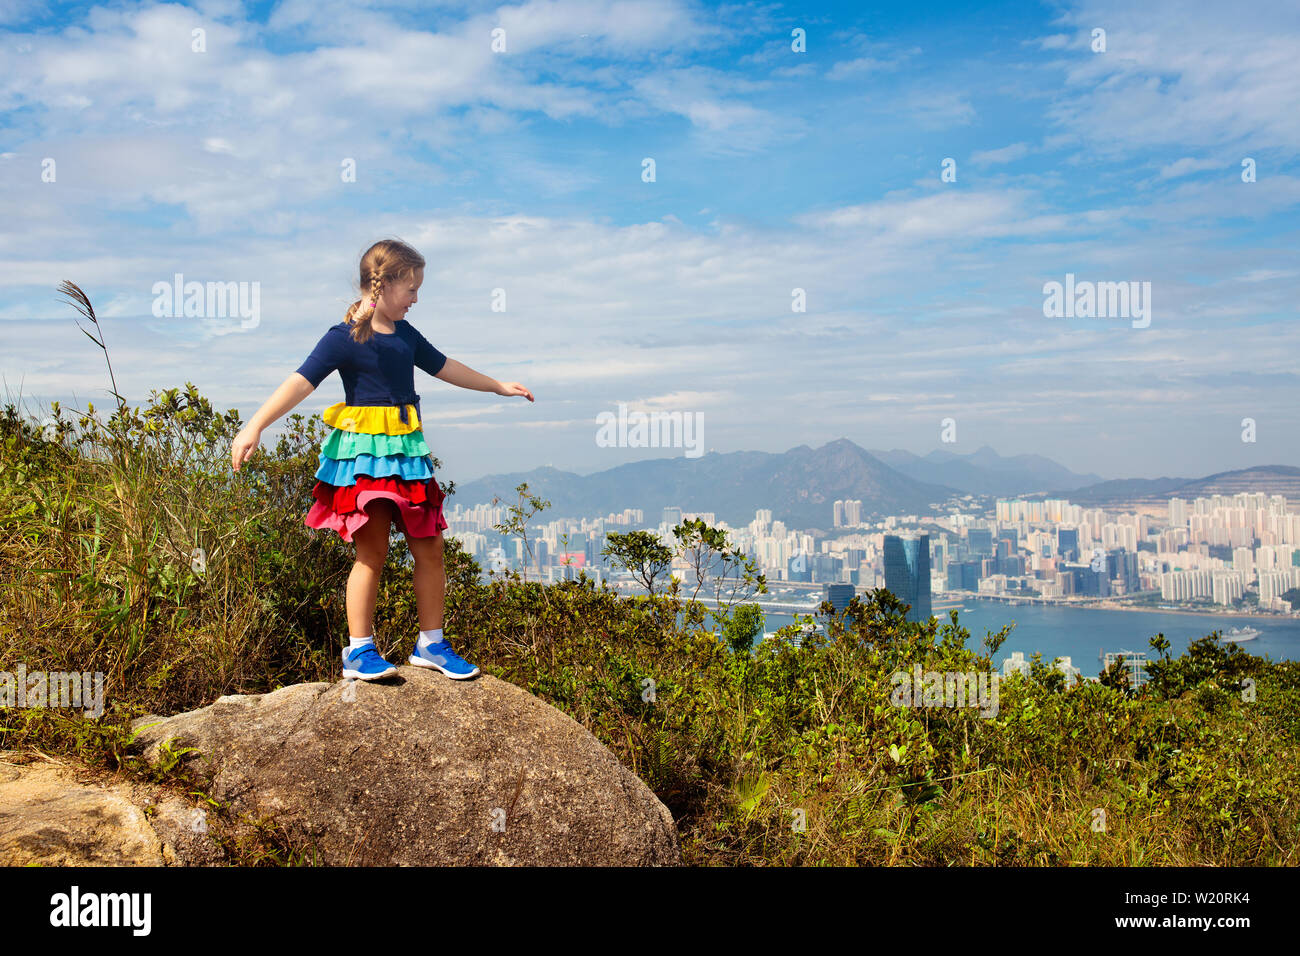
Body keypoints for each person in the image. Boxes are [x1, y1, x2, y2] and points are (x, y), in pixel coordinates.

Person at [230, 238, 534, 683]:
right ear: (386, 284)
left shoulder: (406, 336)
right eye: (411, 289)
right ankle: (359, 651)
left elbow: (446, 366)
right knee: (370, 552)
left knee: (430, 548)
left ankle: (431, 644)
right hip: (364, 459)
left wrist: (497, 385)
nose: (416, 299)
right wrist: (255, 424)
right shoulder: (345, 337)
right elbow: (300, 382)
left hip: (408, 456)